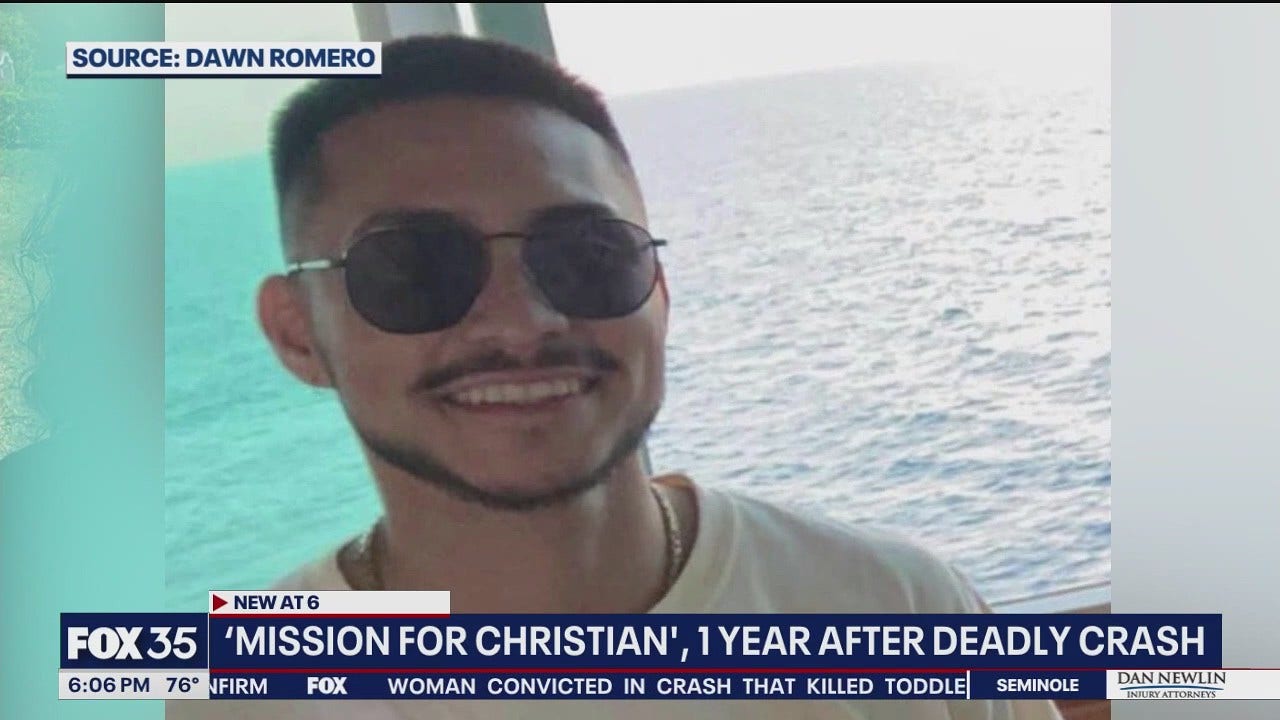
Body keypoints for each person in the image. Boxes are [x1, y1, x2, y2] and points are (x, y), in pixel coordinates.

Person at [170, 35, 1062, 720]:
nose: (522, 323)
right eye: (412, 267)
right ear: (297, 335)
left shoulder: (900, 614)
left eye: (588, 253)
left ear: (658, 295)